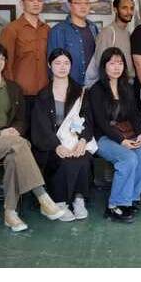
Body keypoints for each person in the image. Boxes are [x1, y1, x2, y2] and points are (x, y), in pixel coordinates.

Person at [0, 42, 69, 232]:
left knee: (14, 156)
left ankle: (10, 213)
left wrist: (15, 130)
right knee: (21, 145)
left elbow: (22, 120)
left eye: (2, 58)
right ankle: (43, 197)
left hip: (13, 141)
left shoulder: (14, 88)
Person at [89, 47, 141, 223]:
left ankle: (130, 199)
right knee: (128, 159)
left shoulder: (127, 87)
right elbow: (101, 122)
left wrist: (140, 134)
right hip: (103, 136)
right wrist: (122, 141)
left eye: (120, 63)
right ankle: (114, 205)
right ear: (104, 66)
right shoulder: (96, 90)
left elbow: (135, 115)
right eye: (112, 63)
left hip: (127, 133)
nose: (116, 67)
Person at [30, 48, 94, 221]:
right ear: (49, 65)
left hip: (74, 140)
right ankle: (59, 202)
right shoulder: (43, 95)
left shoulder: (80, 92)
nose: (62, 67)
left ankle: (79, 199)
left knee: (84, 158)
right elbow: (41, 127)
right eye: (57, 63)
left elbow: (88, 120)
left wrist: (82, 141)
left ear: (71, 65)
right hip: (51, 144)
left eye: (66, 63)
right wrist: (57, 146)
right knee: (63, 160)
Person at [0, 0, 50, 125]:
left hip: (44, 92)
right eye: (31, 0)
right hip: (20, 93)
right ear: (22, 3)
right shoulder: (11, 29)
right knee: (22, 131)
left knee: (42, 132)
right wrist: (11, 92)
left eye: (39, 0)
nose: (36, 3)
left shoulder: (47, 29)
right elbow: (4, 64)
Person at [47, 0, 100, 86]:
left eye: (86, 3)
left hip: (92, 85)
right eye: (78, 3)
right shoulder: (59, 30)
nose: (83, 6)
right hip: (69, 86)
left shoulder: (93, 28)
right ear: (69, 5)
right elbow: (53, 62)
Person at [85, 0, 136, 86]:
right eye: (124, 8)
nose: (129, 12)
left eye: (131, 8)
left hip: (127, 84)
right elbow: (101, 62)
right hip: (112, 85)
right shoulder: (107, 32)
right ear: (115, 9)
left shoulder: (128, 34)